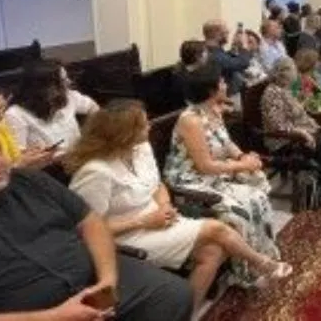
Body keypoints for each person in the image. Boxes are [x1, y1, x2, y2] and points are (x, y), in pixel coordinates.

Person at [66, 100, 291, 309]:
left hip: (156, 219)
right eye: (144, 125)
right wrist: (143, 220)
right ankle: (262, 263)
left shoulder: (140, 150)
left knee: (213, 251)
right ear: (125, 134)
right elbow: (87, 228)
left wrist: (164, 205)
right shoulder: (95, 172)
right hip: (123, 237)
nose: (150, 127)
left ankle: (183, 311)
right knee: (217, 228)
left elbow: (157, 185)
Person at [0, 124, 194, 320]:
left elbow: (91, 222)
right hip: (29, 314)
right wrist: (54, 316)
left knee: (173, 294)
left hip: (92, 282)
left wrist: (106, 283)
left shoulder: (29, 180)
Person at [163, 62, 282, 287]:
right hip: (189, 180)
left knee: (258, 197)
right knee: (240, 210)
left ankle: (260, 258)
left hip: (214, 174)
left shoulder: (214, 109)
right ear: (211, 90)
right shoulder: (190, 120)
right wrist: (241, 166)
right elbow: (204, 166)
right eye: (222, 82)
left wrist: (243, 157)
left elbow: (226, 144)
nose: (226, 84)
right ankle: (247, 269)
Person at [261, 58, 321, 208]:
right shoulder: (271, 94)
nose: (295, 73)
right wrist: (302, 132)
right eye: (292, 69)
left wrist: (311, 126)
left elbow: (297, 114)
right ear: (282, 73)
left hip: (302, 132)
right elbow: (277, 126)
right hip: (286, 141)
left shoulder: (283, 89)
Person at [5, 60, 99, 157]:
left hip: (77, 158)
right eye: (62, 81)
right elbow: (20, 159)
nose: (69, 82)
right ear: (44, 87)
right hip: (49, 168)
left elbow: (93, 107)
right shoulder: (15, 114)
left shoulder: (69, 96)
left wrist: (89, 134)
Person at [0, 80, 53, 168]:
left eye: (2, 108)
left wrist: (31, 156)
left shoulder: (0, 125)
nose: (1, 115)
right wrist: (18, 165)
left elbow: (15, 158)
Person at [203, 19, 251, 96]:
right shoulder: (212, 54)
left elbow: (225, 59)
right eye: (226, 32)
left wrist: (233, 48)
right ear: (217, 34)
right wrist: (244, 47)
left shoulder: (206, 49)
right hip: (222, 97)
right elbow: (242, 63)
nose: (228, 34)